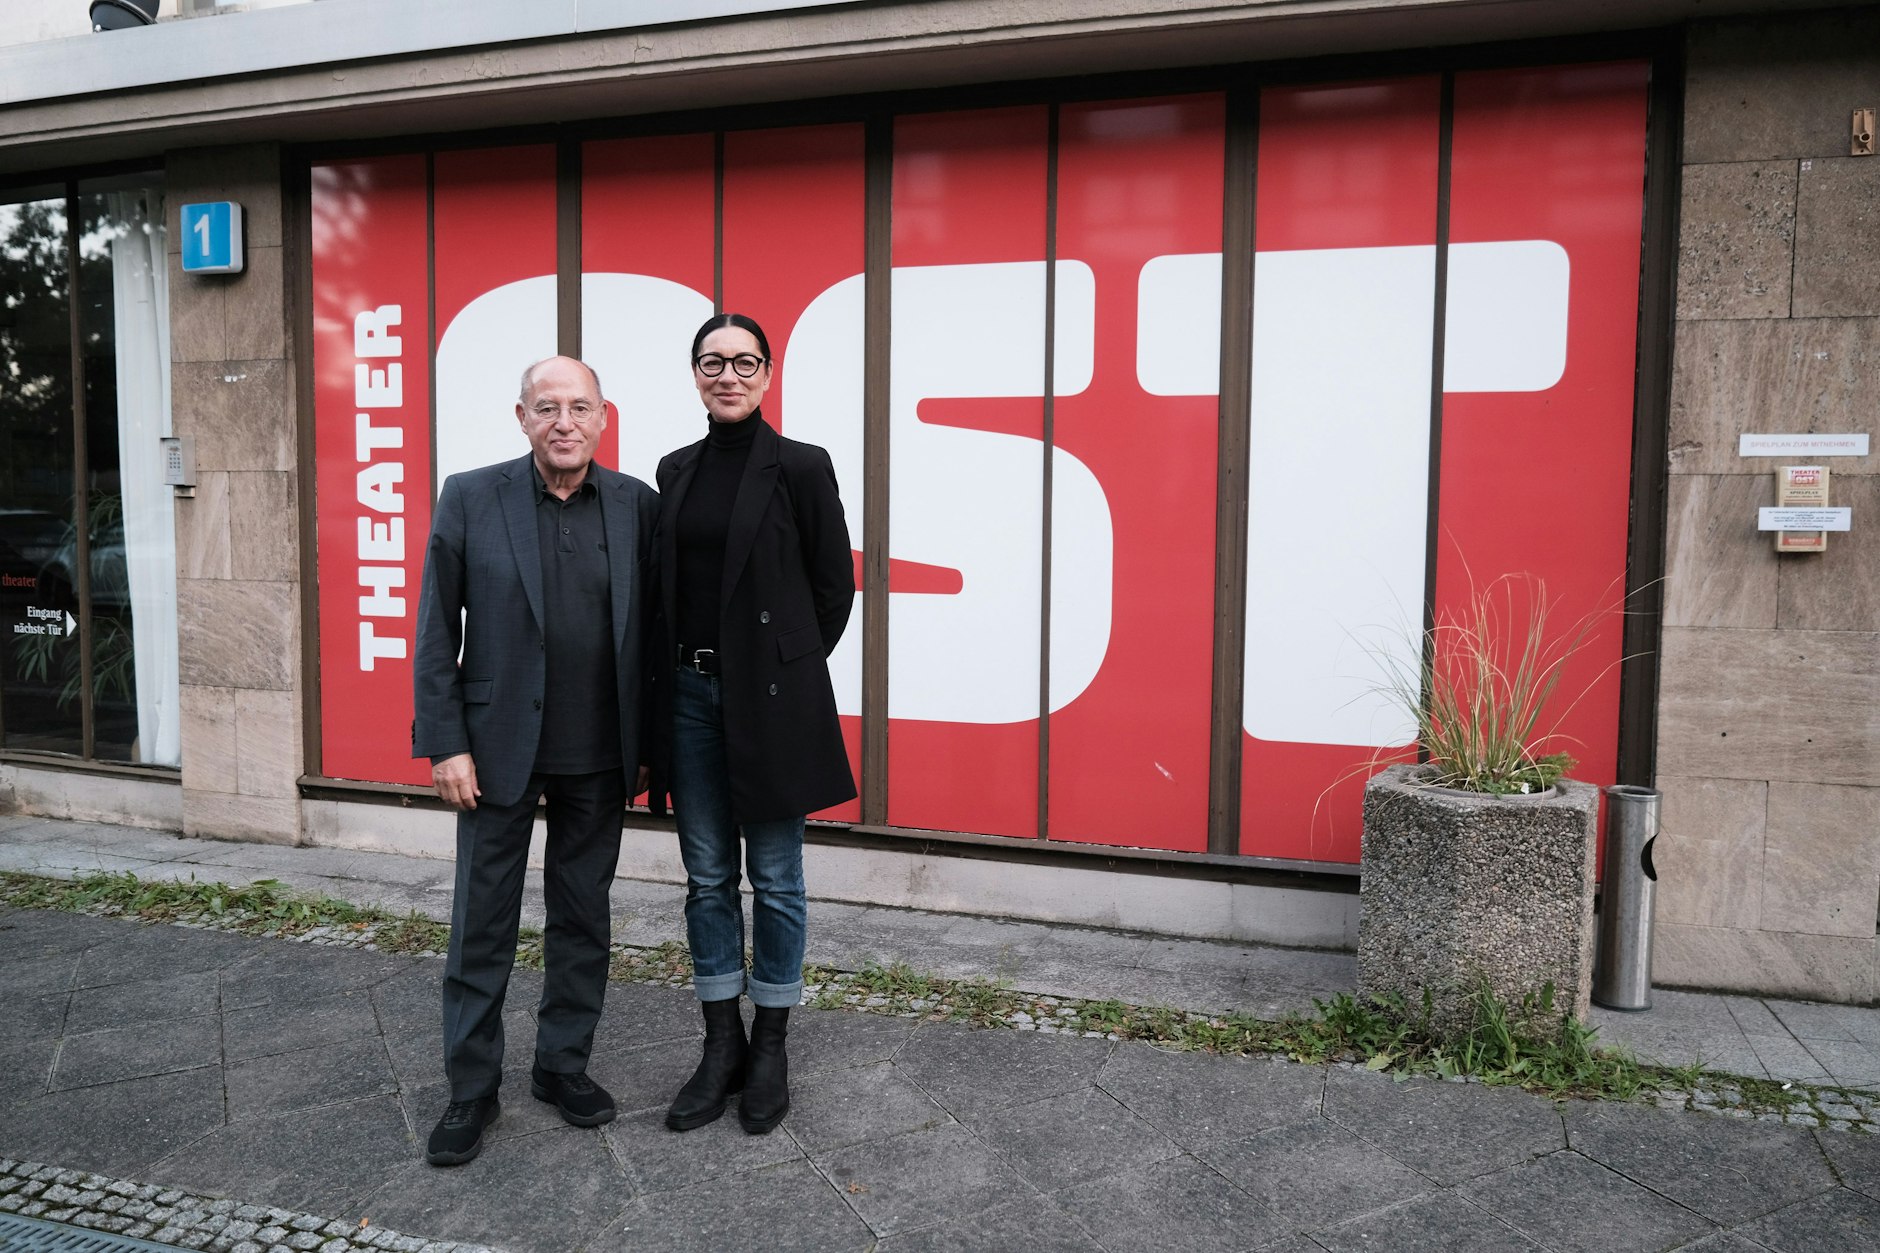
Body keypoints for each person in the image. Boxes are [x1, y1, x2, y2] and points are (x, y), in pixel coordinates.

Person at [411, 355, 658, 1166]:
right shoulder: (471, 495)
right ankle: (471, 1090)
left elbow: (651, 635)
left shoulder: (635, 506)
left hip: (599, 751)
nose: (564, 422)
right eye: (546, 407)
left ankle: (562, 1066)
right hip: (494, 750)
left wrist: (651, 748)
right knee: (481, 925)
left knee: (584, 918)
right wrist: (445, 739)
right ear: (521, 417)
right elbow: (436, 625)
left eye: (578, 407)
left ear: (603, 417)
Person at [650, 312, 855, 1135]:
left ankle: (770, 1044)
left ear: (767, 375)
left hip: (769, 704)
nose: (727, 374)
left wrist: (780, 668)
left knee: (776, 879)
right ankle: (720, 1043)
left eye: (744, 361)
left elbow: (832, 588)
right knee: (705, 878)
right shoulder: (675, 469)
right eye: (712, 361)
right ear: (695, 374)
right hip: (691, 700)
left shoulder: (802, 467)